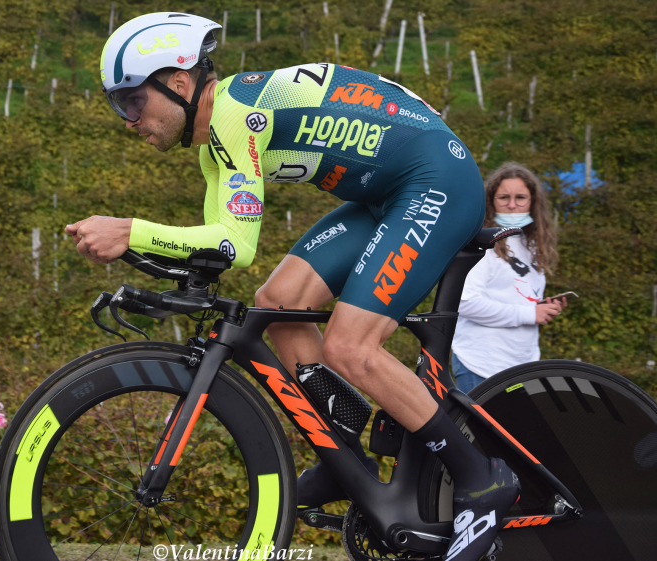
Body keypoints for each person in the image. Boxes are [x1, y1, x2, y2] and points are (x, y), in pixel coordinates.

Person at [67, 13, 520, 560]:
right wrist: (146, 267)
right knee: (278, 305)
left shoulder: (236, 115)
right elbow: (217, 249)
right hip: (388, 193)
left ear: (179, 83)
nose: (128, 120)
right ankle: (344, 456)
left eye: (132, 102)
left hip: (435, 182)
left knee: (350, 346)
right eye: (120, 106)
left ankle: (482, 477)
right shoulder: (215, 142)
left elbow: (237, 243)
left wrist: (129, 230)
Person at [451, 163, 565, 393]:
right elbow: (465, 302)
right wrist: (529, 313)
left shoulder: (532, 245)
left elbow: (517, 298)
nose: (512, 205)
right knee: (477, 430)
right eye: (504, 197)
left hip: (522, 364)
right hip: (482, 364)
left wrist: (541, 308)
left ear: (533, 201)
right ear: (491, 201)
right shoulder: (482, 244)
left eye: (520, 197)